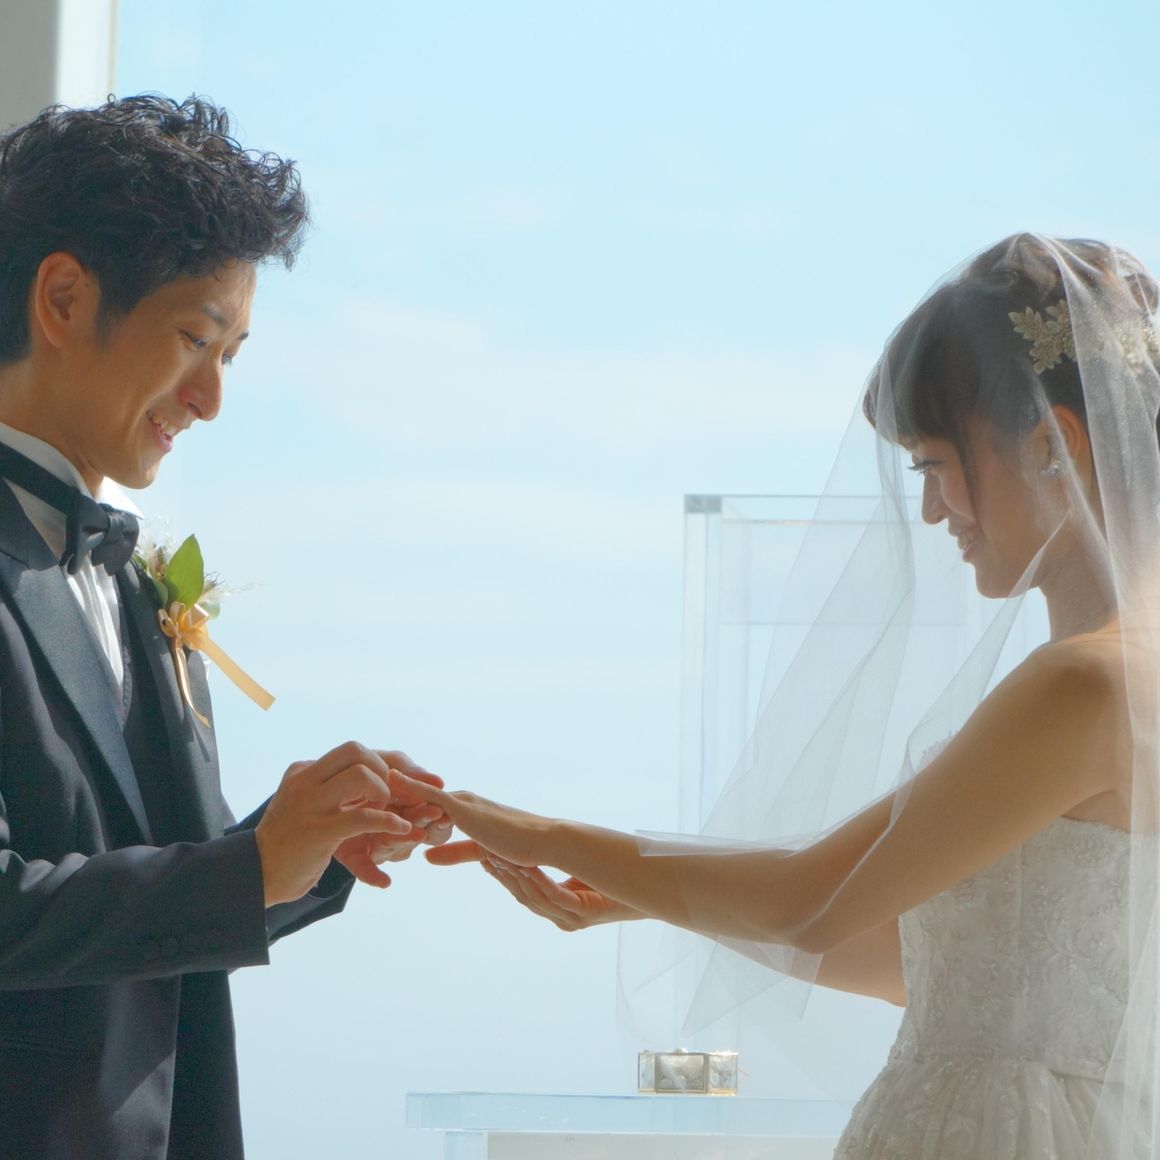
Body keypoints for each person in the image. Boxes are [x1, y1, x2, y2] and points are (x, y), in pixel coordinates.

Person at [416, 235, 1160, 1158]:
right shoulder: (1120, 678)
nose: (932, 511)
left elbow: (812, 900)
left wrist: (540, 833)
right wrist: (657, 894)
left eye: (934, 465)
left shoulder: (1083, 683)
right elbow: (924, 967)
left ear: (1053, 445)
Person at [0, 94, 447, 1160]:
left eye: (231, 355)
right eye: (195, 338)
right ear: (63, 298)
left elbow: (156, 897)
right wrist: (247, 871)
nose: (209, 398)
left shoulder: (137, 578)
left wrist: (303, 848)